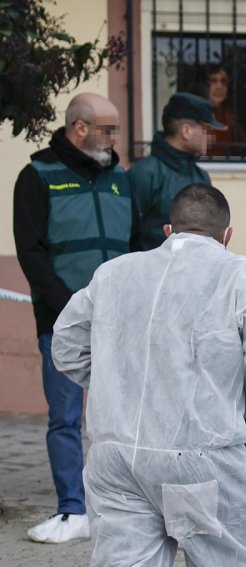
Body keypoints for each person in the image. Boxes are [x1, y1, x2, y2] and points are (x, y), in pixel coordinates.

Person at [52, 184, 246, 567]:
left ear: (168, 230)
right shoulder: (243, 276)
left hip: (116, 458)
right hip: (201, 460)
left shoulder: (114, 273)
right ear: (227, 235)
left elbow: (66, 345)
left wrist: (113, 387)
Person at [12, 92, 140, 544]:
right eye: (108, 129)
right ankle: (72, 510)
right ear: (79, 128)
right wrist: (70, 307)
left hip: (121, 320)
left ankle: (123, 504)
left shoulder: (120, 179)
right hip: (62, 321)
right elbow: (31, 252)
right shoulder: (37, 177)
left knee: (126, 415)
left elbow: (137, 244)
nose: (115, 138)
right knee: (65, 417)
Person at [129, 92, 226, 249]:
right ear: (186, 131)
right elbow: (128, 233)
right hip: (153, 272)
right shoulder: (145, 174)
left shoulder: (201, 177)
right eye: (206, 130)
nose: (211, 137)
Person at [206, 65, 238, 157]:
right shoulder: (194, 115)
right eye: (213, 81)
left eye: (223, 81)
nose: (219, 86)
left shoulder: (230, 115)